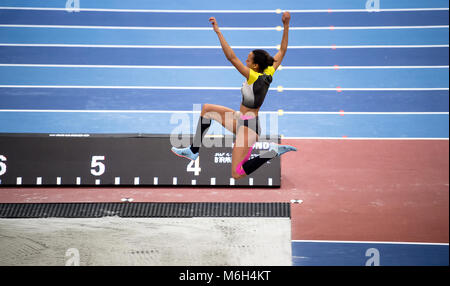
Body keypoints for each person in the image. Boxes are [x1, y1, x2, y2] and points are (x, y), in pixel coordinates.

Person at [172, 11, 297, 180]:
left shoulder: (253, 76)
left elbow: (231, 57)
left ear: (255, 66)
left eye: (248, 60)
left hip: (248, 128)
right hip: (241, 120)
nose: (245, 60)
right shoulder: (268, 71)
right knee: (207, 110)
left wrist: (218, 32)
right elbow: (282, 50)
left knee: (237, 173)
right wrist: (286, 25)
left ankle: (272, 152)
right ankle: (194, 150)